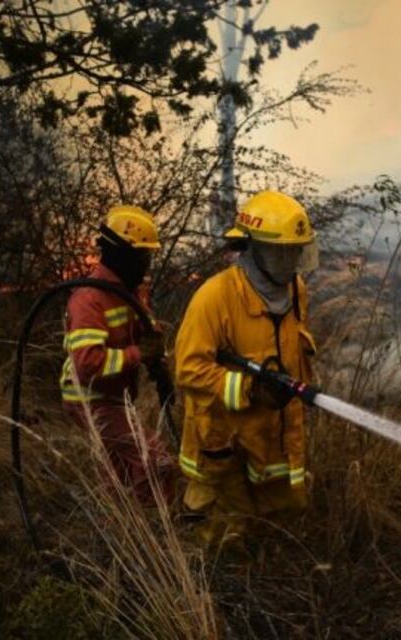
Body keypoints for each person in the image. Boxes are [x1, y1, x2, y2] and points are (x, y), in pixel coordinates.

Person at [174, 190, 320, 545]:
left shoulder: (295, 290)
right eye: (281, 251)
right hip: (225, 444)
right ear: (252, 248)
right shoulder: (215, 297)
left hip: (273, 439)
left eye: (296, 251)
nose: (291, 261)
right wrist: (248, 389)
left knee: (275, 530)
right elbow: (188, 368)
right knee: (226, 537)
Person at [60, 204, 175, 503]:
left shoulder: (128, 292)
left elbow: (141, 333)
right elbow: (87, 365)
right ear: (122, 254)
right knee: (156, 462)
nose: (146, 263)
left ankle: (120, 523)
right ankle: (154, 525)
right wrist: (138, 354)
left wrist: (153, 347)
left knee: (119, 470)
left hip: (113, 396)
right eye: (142, 256)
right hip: (90, 398)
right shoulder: (89, 299)